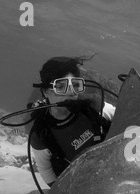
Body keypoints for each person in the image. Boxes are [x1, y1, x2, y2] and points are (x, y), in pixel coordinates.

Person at [30, 56, 116, 187]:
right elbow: (45, 170)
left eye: (76, 85)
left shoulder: (94, 108)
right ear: (45, 91)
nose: (71, 93)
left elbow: (126, 118)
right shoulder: (41, 133)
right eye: (61, 86)